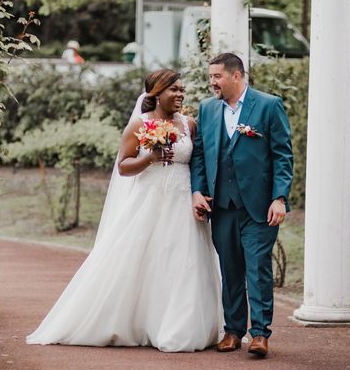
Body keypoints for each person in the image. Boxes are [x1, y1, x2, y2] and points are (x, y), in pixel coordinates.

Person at [27, 69, 222, 352]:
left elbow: (197, 163)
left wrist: (198, 193)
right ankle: (132, 321)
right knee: (139, 259)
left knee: (184, 261)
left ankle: (179, 325)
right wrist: (150, 158)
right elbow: (124, 166)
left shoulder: (189, 124)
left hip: (181, 202)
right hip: (149, 200)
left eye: (182, 89)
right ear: (156, 93)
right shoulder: (138, 125)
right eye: (173, 90)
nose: (180, 94)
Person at [190, 52, 293, 357]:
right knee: (230, 268)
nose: (212, 83)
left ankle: (259, 334)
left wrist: (279, 197)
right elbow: (199, 154)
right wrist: (197, 191)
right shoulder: (208, 109)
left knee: (257, 267)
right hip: (220, 205)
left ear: (236, 76)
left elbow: (282, 155)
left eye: (217, 76)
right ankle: (233, 331)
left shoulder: (268, 105)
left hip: (259, 205)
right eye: (210, 77)